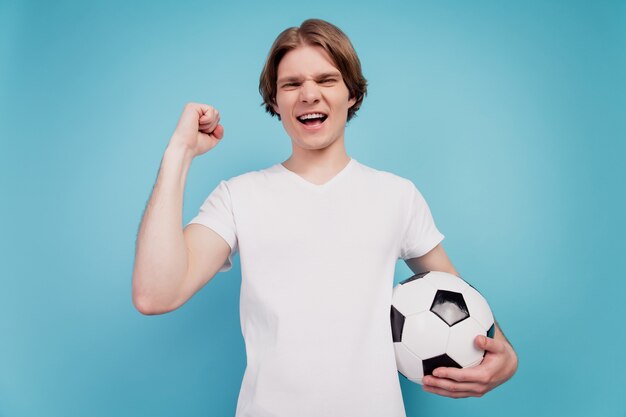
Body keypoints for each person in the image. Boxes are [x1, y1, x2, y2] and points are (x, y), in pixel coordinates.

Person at [132, 18, 518, 417]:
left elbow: (455, 295)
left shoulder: (396, 195)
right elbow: (155, 294)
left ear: (351, 93)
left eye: (326, 79)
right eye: (292, 84)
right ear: (275, 99)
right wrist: (179, 153)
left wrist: (503, 355)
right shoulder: (238, 196)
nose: (309, 95)